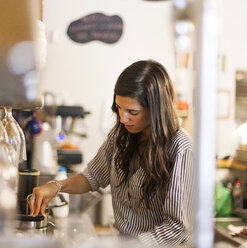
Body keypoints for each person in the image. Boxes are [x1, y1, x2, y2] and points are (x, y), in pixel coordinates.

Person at [29, 59, 195, 246]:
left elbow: (178, 226)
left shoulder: (181, 148)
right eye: (119, 108)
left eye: (132, 111)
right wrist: (56, 186)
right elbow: (92, 177)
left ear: (156, 109)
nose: (123, 118)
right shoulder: (120, 136)